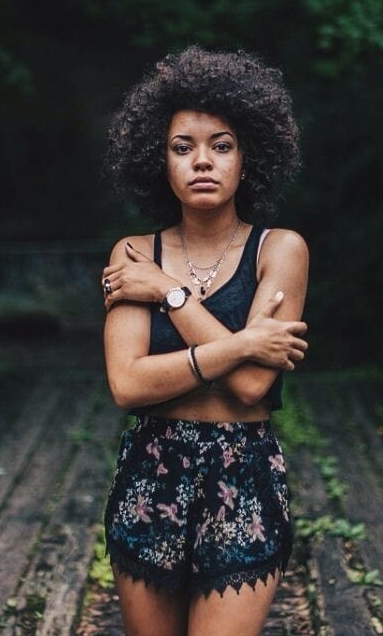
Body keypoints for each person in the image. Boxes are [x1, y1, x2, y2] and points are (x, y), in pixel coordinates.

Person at [101, 45, 309, 636]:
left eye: (222, 146)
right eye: (182, 147)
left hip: (242, 471)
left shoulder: (280, 249)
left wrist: (167, 292)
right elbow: (127, 384)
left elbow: (251, 386)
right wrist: (243, 342)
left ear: (249, 158)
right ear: (158, 161)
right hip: (151, 468)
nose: (203, 162)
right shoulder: (133, 253)